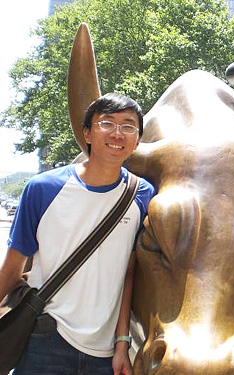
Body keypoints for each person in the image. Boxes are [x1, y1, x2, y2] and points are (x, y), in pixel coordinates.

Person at [0, 93, 155, 375]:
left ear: (138, 140)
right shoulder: (42, 189)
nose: (117, 133)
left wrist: (122, 345)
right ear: (87, 133)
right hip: (44, 338)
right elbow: (11, 271)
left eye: (128, 126)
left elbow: (128, 273)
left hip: (105, 353)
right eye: (106, 123)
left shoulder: (143, 194)